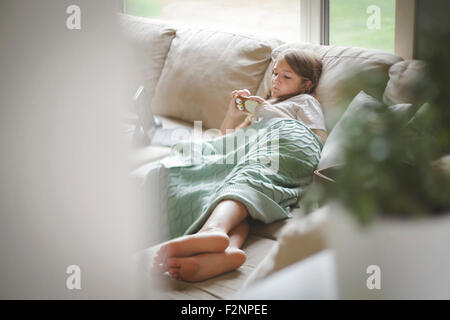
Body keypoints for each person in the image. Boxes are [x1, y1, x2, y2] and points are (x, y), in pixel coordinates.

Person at [152, 48, 327, 282]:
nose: (276, 80)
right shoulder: (264, 108)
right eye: (275, 74)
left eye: (287, 77)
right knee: (238, 186)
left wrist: (269, 110)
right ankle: (227, 250)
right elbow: (228, 141)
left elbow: (316, 138)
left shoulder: (304, 101)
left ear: (306, 85)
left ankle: (212, 230)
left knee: (251, 174)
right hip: (255, 151)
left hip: (292, 144)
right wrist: (233, 114)